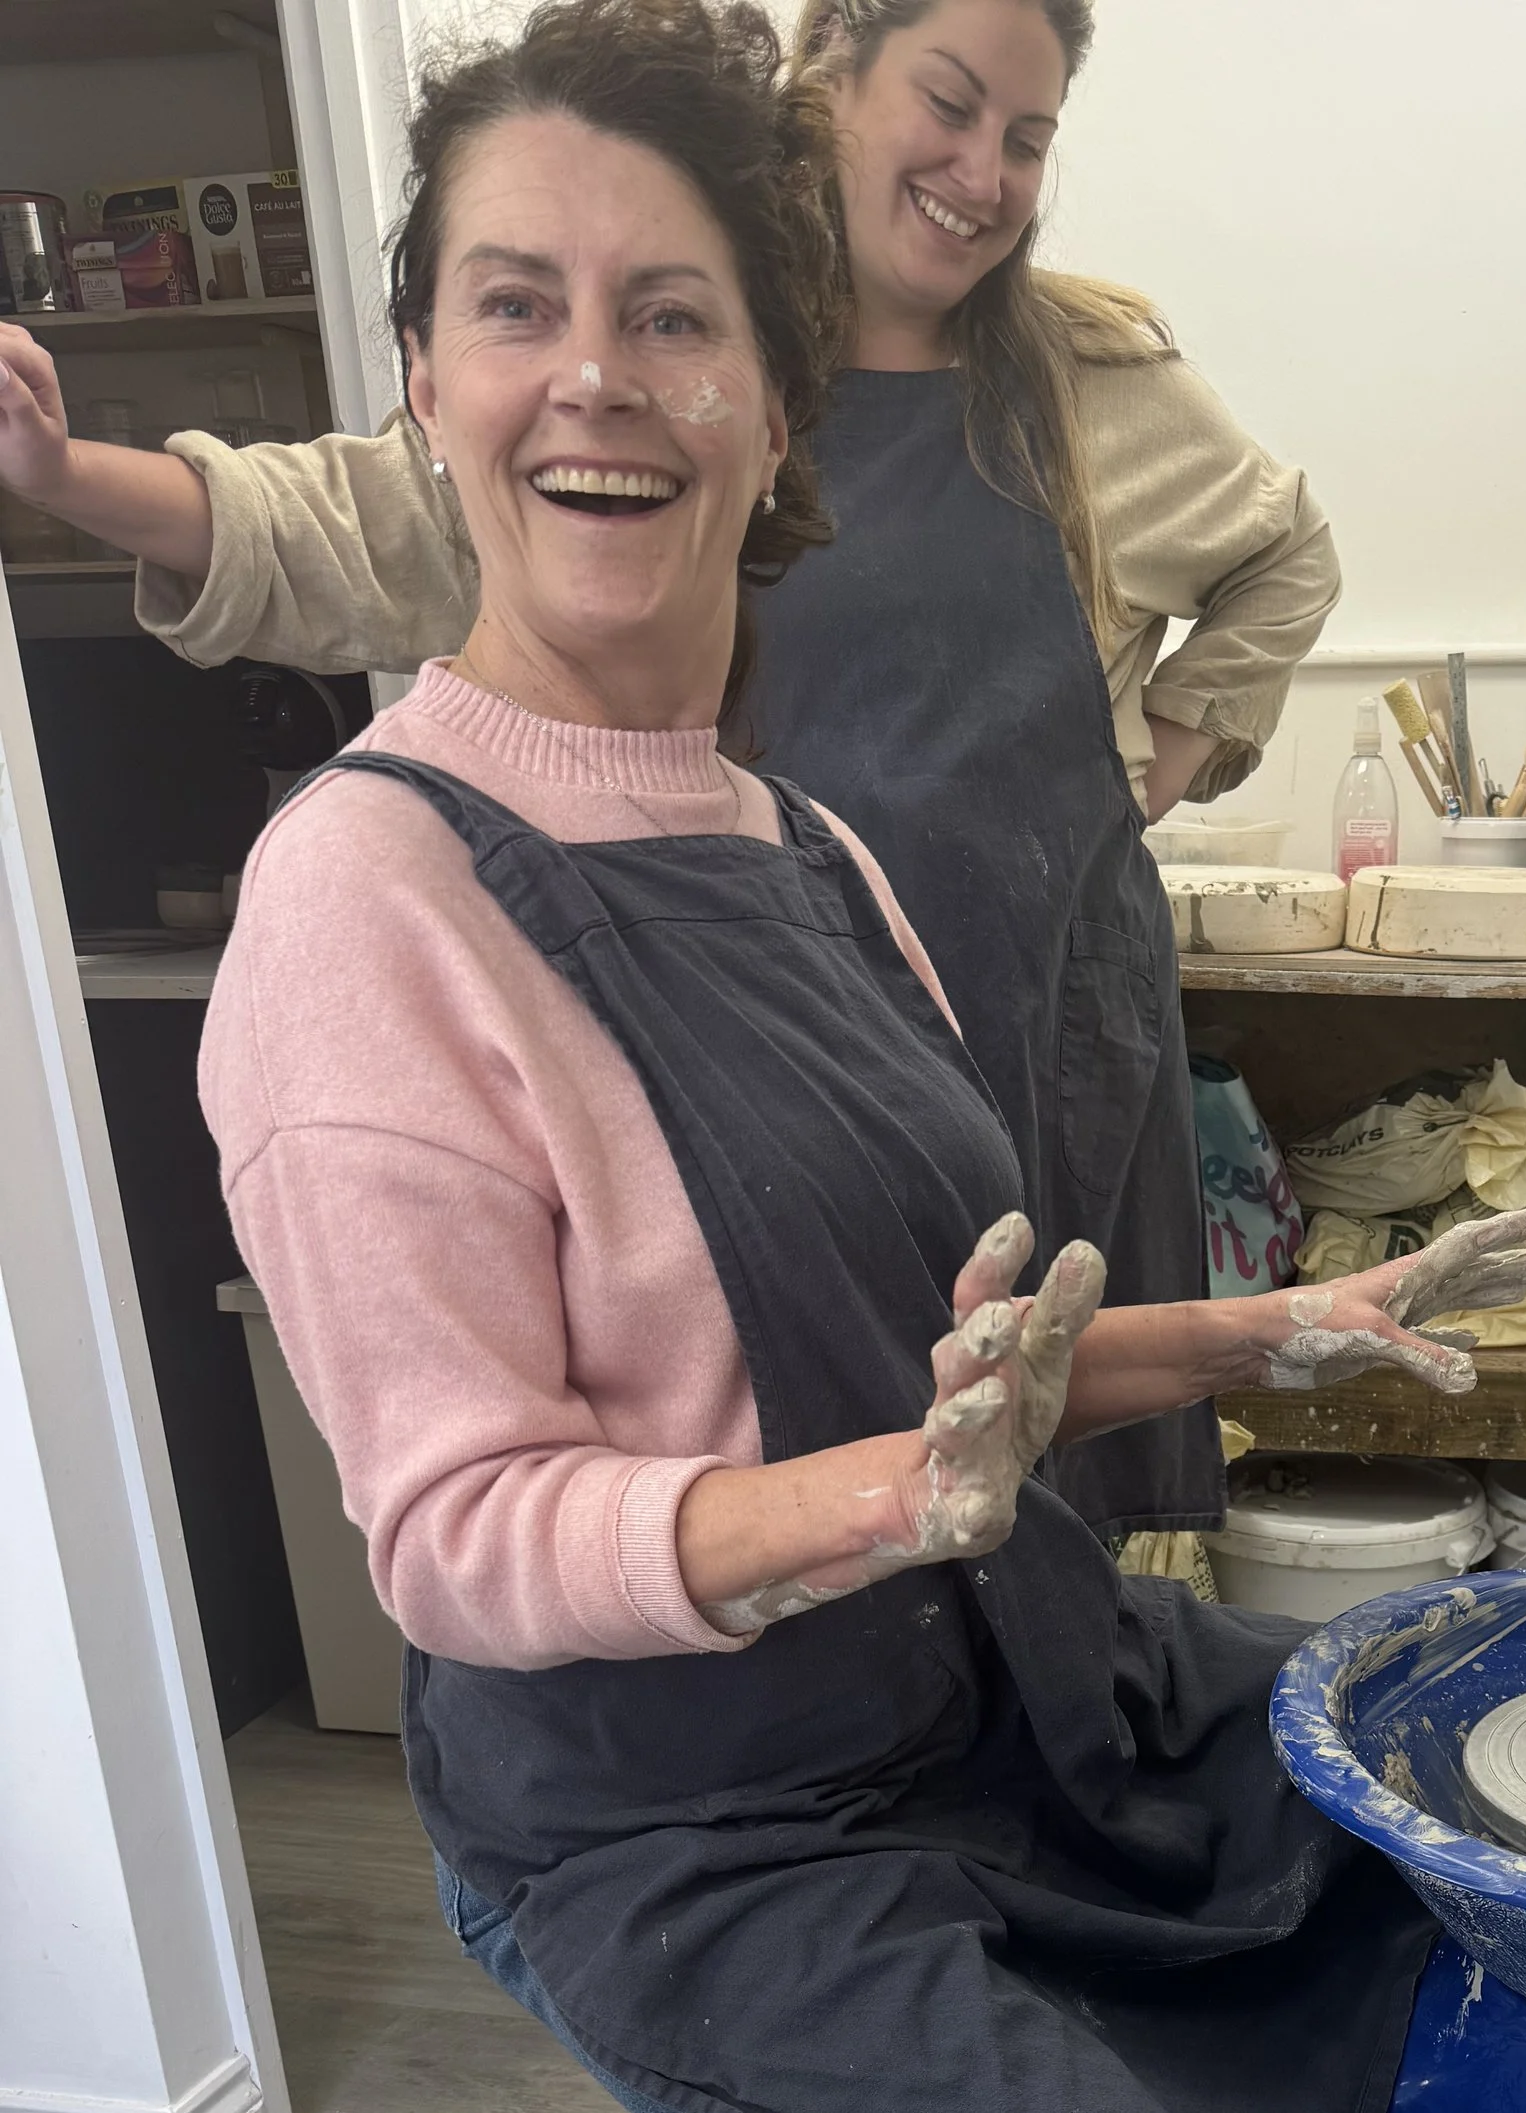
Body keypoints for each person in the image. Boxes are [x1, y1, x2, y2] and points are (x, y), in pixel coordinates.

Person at [190, 0, 1526, 2113]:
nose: (597, 373)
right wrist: (892, 1491)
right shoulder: (365, 913)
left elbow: (983, 1320)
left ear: (769, 395)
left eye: (672, 316)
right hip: (695, 1845)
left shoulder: (783, 834)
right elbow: (458, 1539)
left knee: (1445, 1796)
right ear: (436, 386)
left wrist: (1280, 1322)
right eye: (518, 306)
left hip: (971, 1691)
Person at [0, 0, 1331, 1546]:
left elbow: (1284, 557)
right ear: (831, 74)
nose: (983, 169)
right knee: (819, 1444)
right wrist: (62, 477)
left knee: (1059, 1502)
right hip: (745, 1022)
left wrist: (1148, 767)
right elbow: (343, 521)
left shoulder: (1093, 388)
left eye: (1026, 139)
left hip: (1037, 1015)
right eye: (949, 105)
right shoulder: (630, 407)